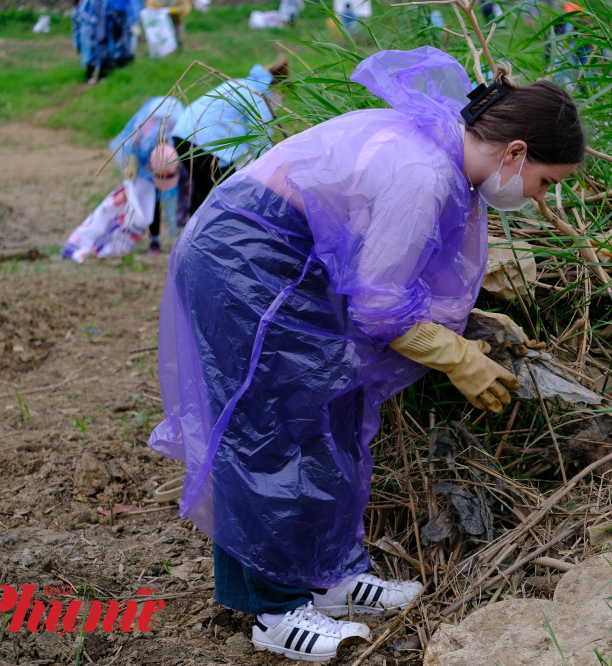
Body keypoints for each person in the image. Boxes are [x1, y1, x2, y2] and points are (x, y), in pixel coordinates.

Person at [147, 47, 584, 662]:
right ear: (515, 153)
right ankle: (272, 609)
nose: (540, 198)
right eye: (546, 182)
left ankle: (332, 575)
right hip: (246, 264)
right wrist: (456, 356)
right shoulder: (425, 173)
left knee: (335, 413)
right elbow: (380, 309)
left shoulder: (442, 151)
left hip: (293, 267)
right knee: (271, 426)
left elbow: (386, 276)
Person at [169, 56, 289, 218]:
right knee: (230, 195)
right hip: (205, 143)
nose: (280, 102)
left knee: (204, 192)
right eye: (282, 95)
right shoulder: (259, 97)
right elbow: (262, 141)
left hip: (182, 134)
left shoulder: (241, 84)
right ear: (277, 88)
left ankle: (193, 235)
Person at [109, 96, 187, 252]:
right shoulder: (143, 133)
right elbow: (129, 144)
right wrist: (131, 162)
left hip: (172, 159)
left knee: (182, 198)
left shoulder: (181, 136)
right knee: (153, 200)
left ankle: (183, 236)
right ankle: (154, 240)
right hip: (149, 161)